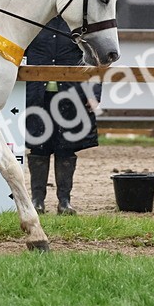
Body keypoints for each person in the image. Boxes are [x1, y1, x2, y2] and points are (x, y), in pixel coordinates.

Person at [24, 16, 102, 215]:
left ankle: (64, 202)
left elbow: (94, 60)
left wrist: (93, 94)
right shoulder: (33, 19)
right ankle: (37, 201)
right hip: (36, 95)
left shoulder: (79, 23)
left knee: (66, 149)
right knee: (38, 148)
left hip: (72, 96)